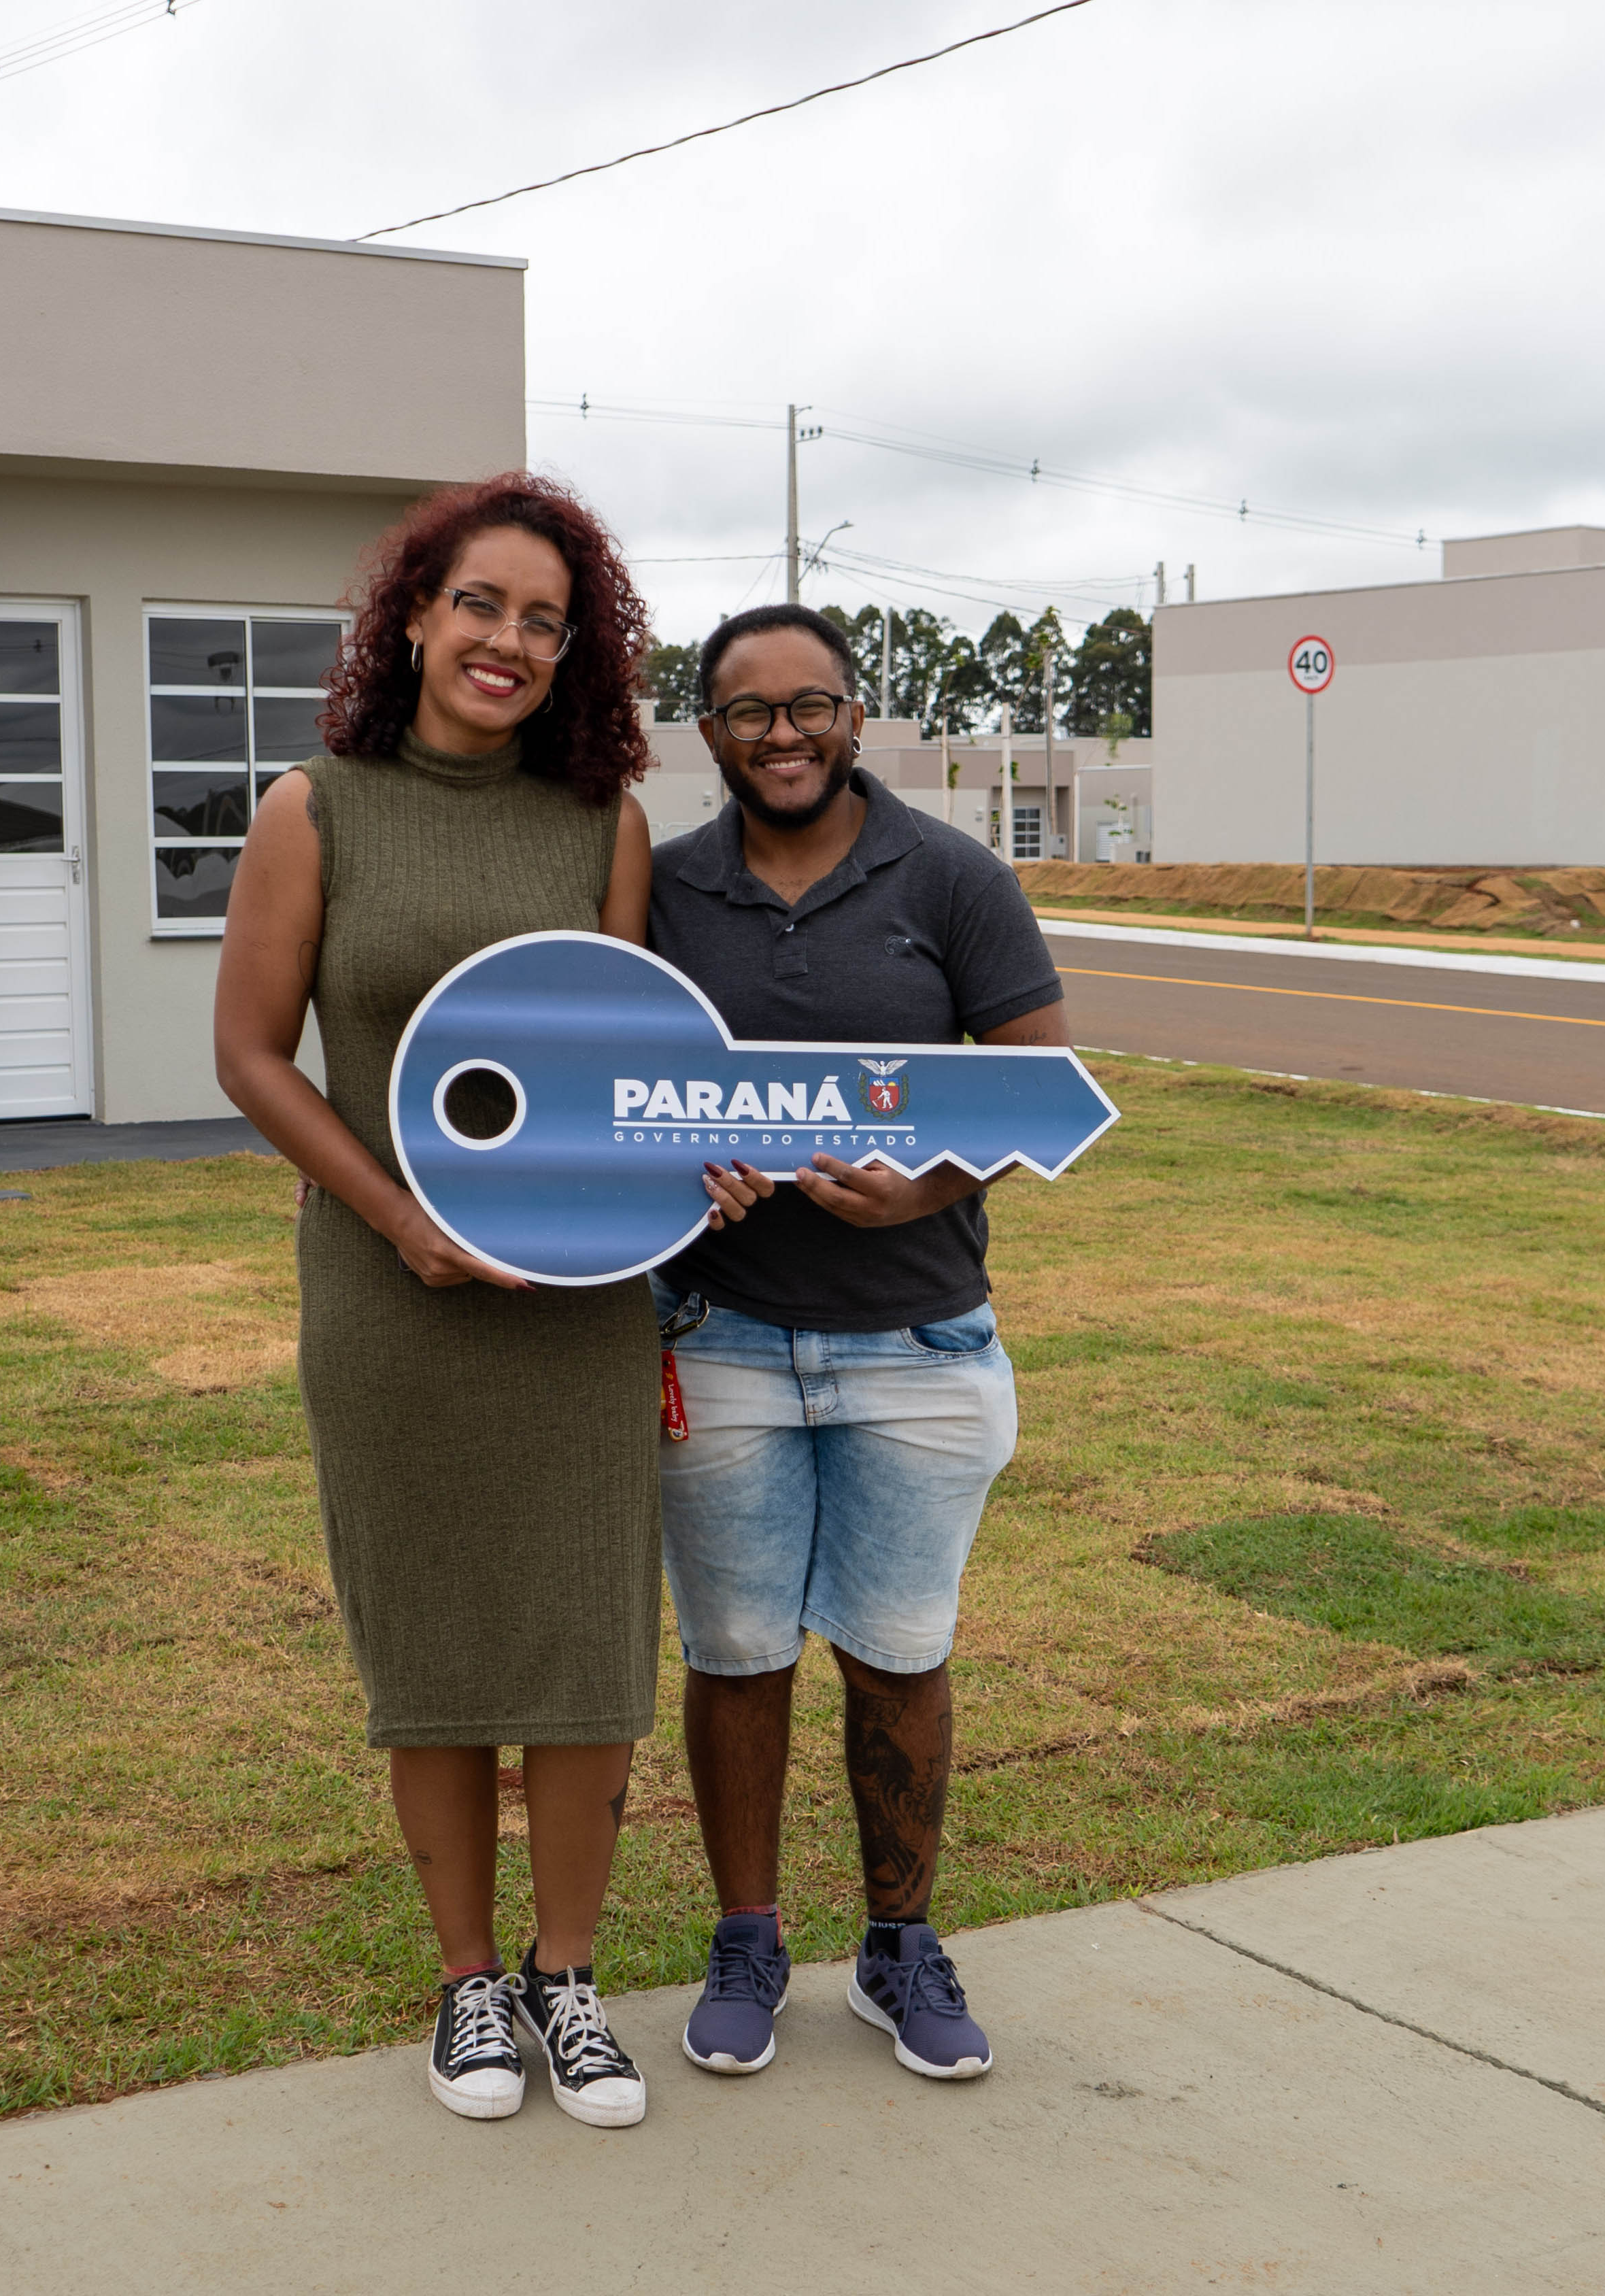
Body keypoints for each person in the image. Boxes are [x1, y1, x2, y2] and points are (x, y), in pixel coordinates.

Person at [212, 473, 666, 2130]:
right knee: (438, 1643)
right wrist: (396, 1218)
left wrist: (698, 1165)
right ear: (412, 614)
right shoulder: (310, 807)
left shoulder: (600, 822)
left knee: (583, 1641)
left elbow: (633, 1058)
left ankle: (568, 1977)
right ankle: (470, 1981)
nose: (509, 640)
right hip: (392, 1292)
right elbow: (253, 1055)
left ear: (575, 654)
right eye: (481, 603)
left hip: (574, 1300)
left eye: (546, 620)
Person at [653, 603, 1070, 2084]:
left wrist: (932, 1179)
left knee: (900, 1653)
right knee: (738, 1651)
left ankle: (900, 1946)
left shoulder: (953, 879)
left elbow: (1036, 1089)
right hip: (720, 1338)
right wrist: (669, 1168)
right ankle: (748, 1936)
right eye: (748, 708)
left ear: (854, 716)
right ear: (707, 730)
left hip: (918, 1341)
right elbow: (616, 1087)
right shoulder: (656, 891)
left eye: (809, 703)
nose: (781, 732)